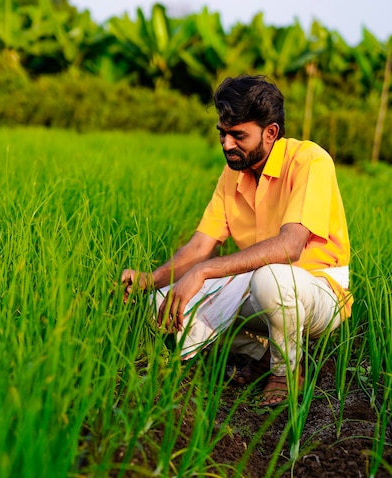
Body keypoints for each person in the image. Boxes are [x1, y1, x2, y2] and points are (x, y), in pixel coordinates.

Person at [122, 75, 352, 407]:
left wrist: (202, 273)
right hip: (255, 286)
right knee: (161, 305)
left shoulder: (310, 161)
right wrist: (151, 279)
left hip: (317, 291)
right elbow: (200, 246)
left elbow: (289, 247)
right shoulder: (233, 173)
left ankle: (286, 372)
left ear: (270, 133)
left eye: (238, 135)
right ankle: (264, 351)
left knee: (271, 279)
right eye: (222, 134)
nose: (227, 144)